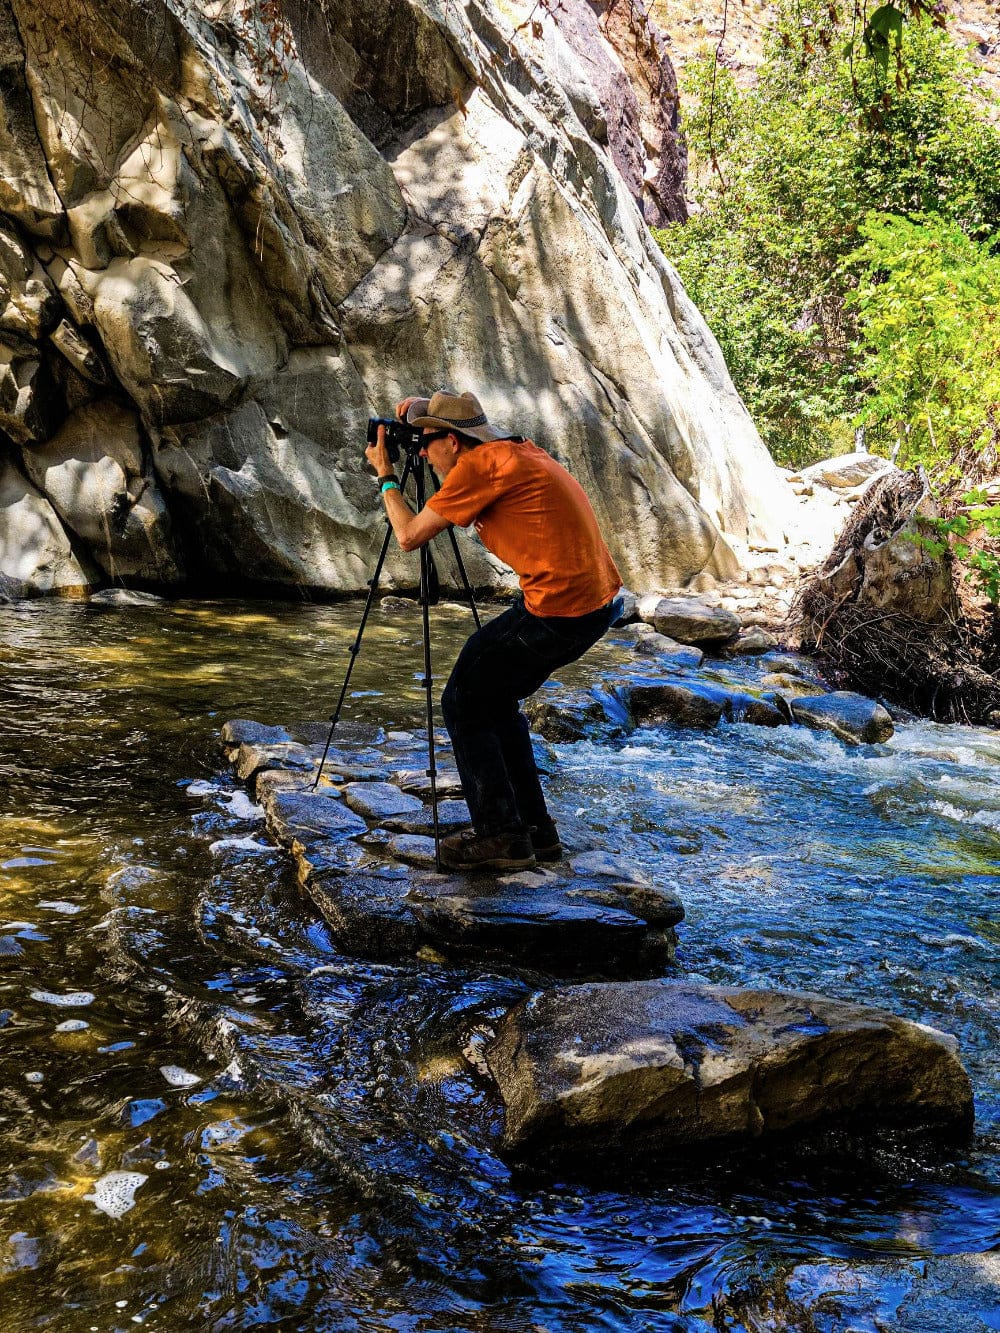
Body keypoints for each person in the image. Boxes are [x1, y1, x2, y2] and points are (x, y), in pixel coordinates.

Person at [364, 389, 622, 872]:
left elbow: (408, 536)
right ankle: (536, 831)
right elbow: (448, 422)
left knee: (463, 699)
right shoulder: (515, 451)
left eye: (426, 443)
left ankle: (502, 836)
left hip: (558, 610)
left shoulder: (479, 468)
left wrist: (386, 477)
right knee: (495, 699)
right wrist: (420, 409)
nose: (422, 453)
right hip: (595, 605)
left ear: (453, 442)